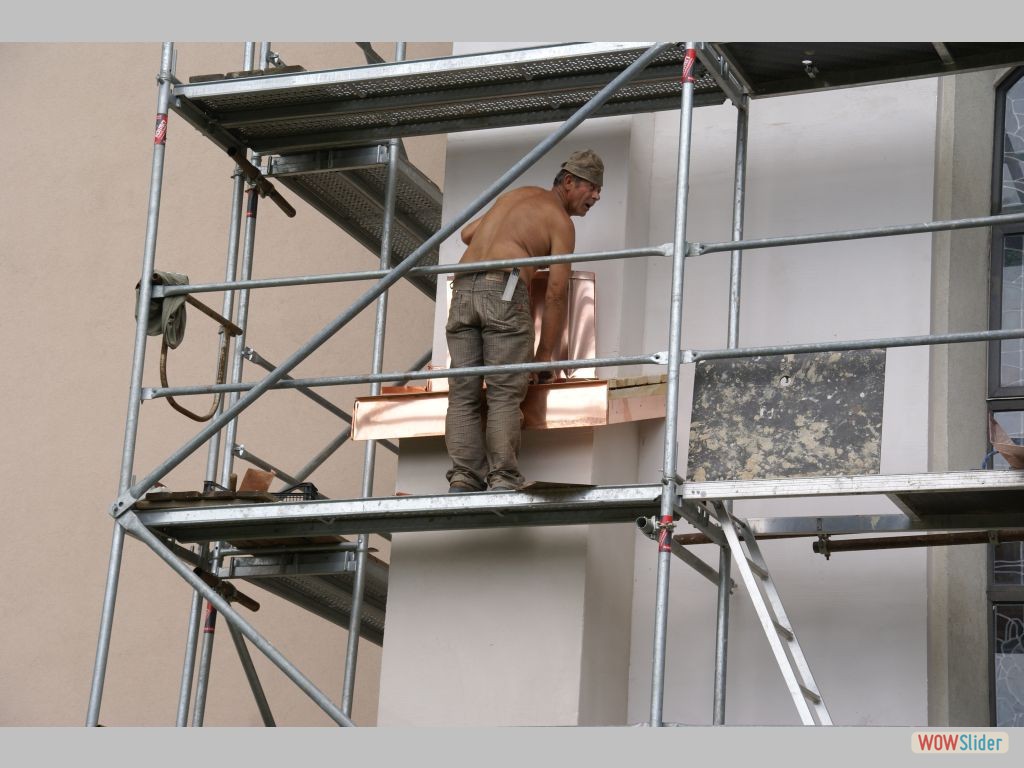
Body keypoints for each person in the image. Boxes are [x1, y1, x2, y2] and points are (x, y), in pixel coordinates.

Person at [444, 149, 604, 492]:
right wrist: (545, 356)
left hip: (462, 288)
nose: (597, 195)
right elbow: (556, 294)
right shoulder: (561, 222)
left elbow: (468, 234)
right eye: (592, 186)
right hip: (503, 289)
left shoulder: (515, 196)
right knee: (503, 393)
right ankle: (503, 478)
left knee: (462, 393)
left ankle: (463, 477)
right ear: (569, 182)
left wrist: (519, 241)